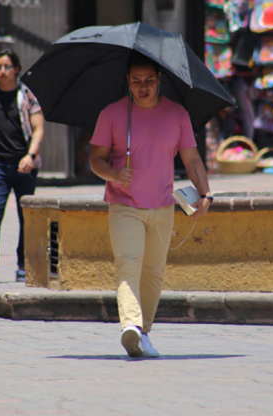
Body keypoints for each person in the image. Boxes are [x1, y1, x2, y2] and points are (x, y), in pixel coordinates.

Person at [89, 51, 213, 358]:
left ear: (159, 81)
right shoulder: (112, 114)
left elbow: (192, 158)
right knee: (128, 263)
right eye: (135, 81)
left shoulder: (177, 115)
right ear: (127, 82)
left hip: (162, 206)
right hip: (124, 205)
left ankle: (143, 334)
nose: (142, 87)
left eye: (148, 81)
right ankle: (130, 325)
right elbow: (95, 160)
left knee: (154, 272)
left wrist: (205, 192)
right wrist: (115, 174)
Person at [0, 50, 44, 284]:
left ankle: (23, 265)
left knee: (26, 216)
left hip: (24, 165)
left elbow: (39, 129)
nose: (3, 71)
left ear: (16, 69)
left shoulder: (27, 96)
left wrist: (30, 156)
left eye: (7, 67)